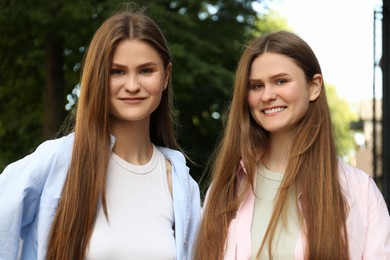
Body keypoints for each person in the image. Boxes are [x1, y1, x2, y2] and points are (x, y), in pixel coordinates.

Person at [0, 9, 201, 260]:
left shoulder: (181, 184)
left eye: (146, 71)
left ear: (165, 76)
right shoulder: (60, 160)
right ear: (98, 77)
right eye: (117, 71)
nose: (132, 85)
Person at [194, 31, 390, 260]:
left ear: (314, 87)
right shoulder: (225, 189)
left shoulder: (360, 192)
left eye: (280, 81)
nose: (267, 95)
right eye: (256, 86)